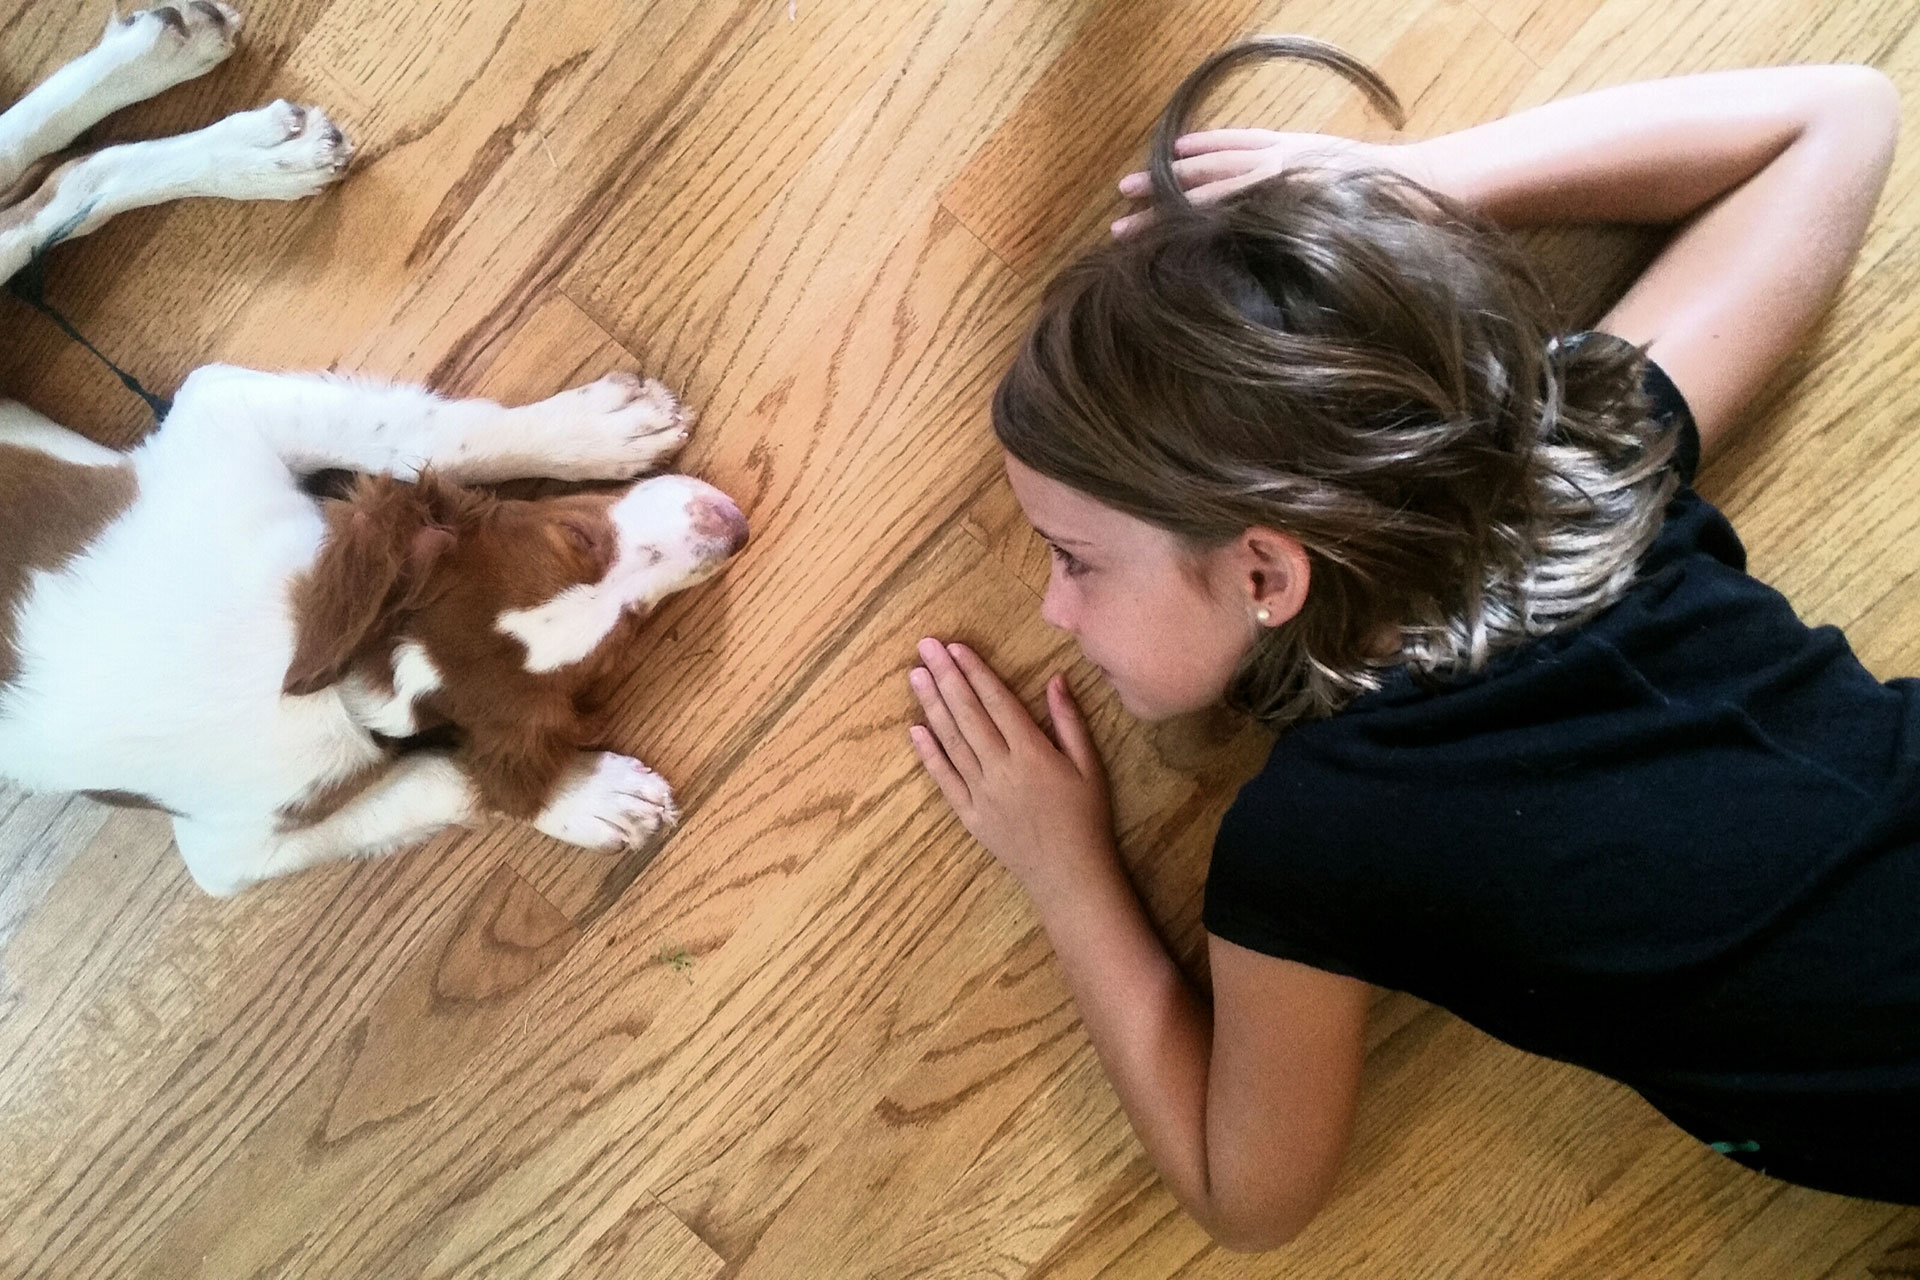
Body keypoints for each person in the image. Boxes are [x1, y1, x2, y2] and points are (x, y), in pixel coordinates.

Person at [904, 37, 1912, 1251]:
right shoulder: (1578, 471)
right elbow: (1835, 120)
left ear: (1266, 569)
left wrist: (1062, 865)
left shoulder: (1325, 837)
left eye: (1075, 559)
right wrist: (1414, 191)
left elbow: (1252, 1195)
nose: (1056, 613)